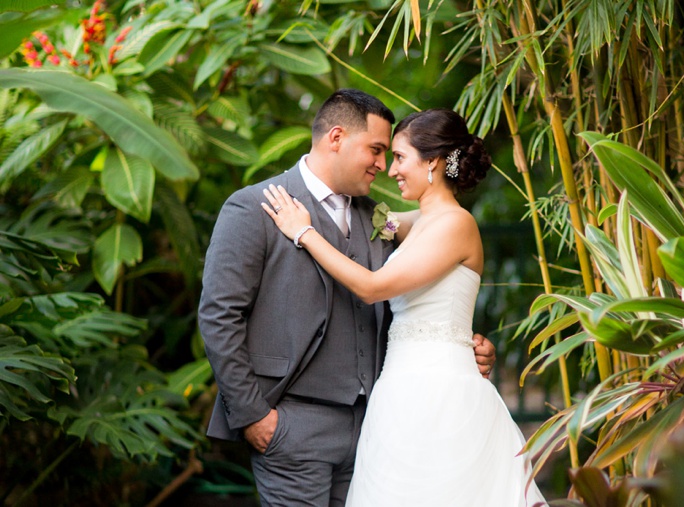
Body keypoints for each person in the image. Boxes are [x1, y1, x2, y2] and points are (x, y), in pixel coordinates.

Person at [197, 90, 496, 507]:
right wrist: (253, 417)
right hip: (291, 428)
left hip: (377, 429)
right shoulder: (255, 207)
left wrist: (464, 345)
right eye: (376, 150)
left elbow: (412, 294)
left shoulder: (380, 218)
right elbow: (218, 316)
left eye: (391, 155)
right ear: (336, 137)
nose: (383, 165)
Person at [262, 108, 547, 506]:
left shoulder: (455, 224)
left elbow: (372, 286)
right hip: (400, 390)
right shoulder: (420, 221)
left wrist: (303, 231)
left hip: (439, 392)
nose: (390, 169)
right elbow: (377, 223)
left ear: (432, 162)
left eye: (398, 157)